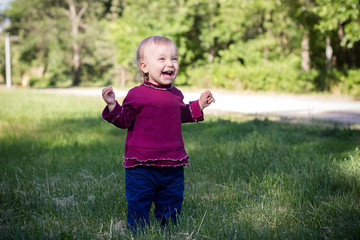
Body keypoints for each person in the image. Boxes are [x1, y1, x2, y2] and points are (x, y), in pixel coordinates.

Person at [101, 36, 215, 232]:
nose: (170, 64)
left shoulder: (176, 94)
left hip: (172, 163)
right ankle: (138, 231)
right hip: (141, 164)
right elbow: (124, 120)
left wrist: (199, 105)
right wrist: (113, 105)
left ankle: (168, 229)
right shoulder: (136, 94)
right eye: (162, 59)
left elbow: (181, 114)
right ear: (144, 66)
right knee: (138, 201)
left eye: (174, 58)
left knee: (172, 199)